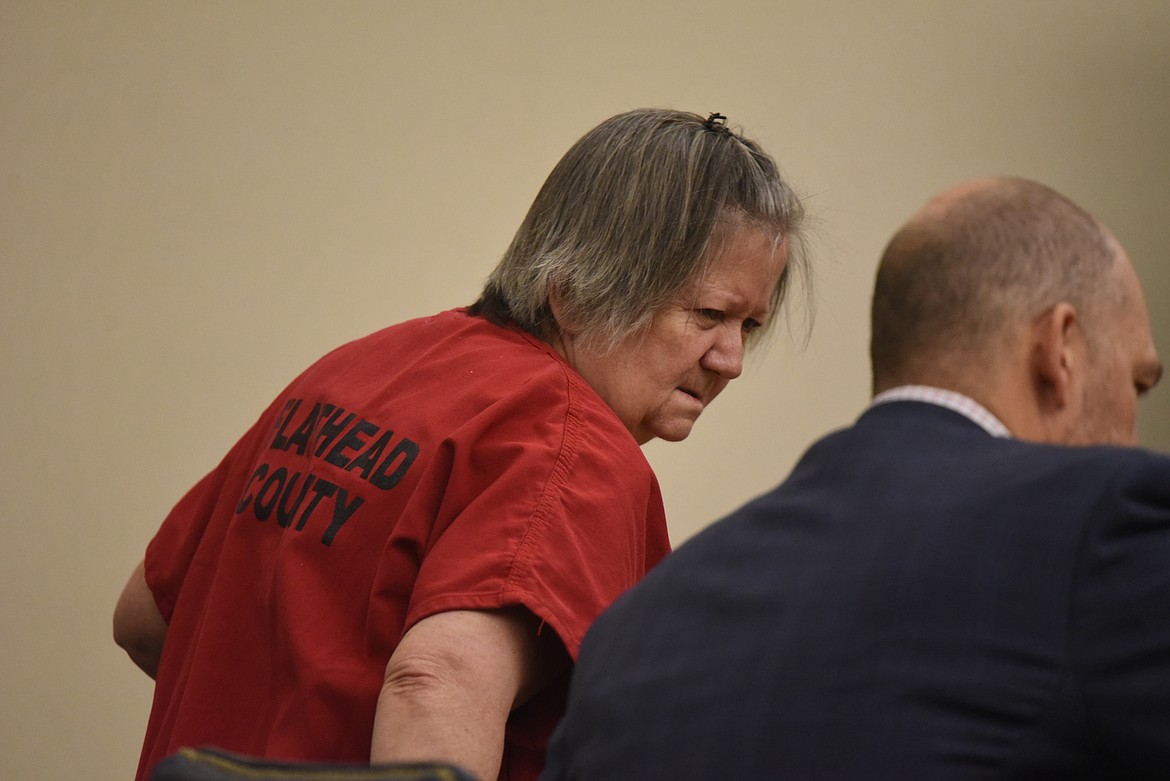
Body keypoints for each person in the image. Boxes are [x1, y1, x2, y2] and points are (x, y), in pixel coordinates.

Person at [112, 108, 808, 781]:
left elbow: (147, 615)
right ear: (571, 292)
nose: (729, 359)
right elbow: (434, 680)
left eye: (748, 325)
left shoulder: (354, 371)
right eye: (707, 314)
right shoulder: (576, 447)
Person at [541, 176, 1170, 780]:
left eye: (748, 327)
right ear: (1060, 351)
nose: (729, 361)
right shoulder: (1102, 523)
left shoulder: (633, 629)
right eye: (1138, 384)